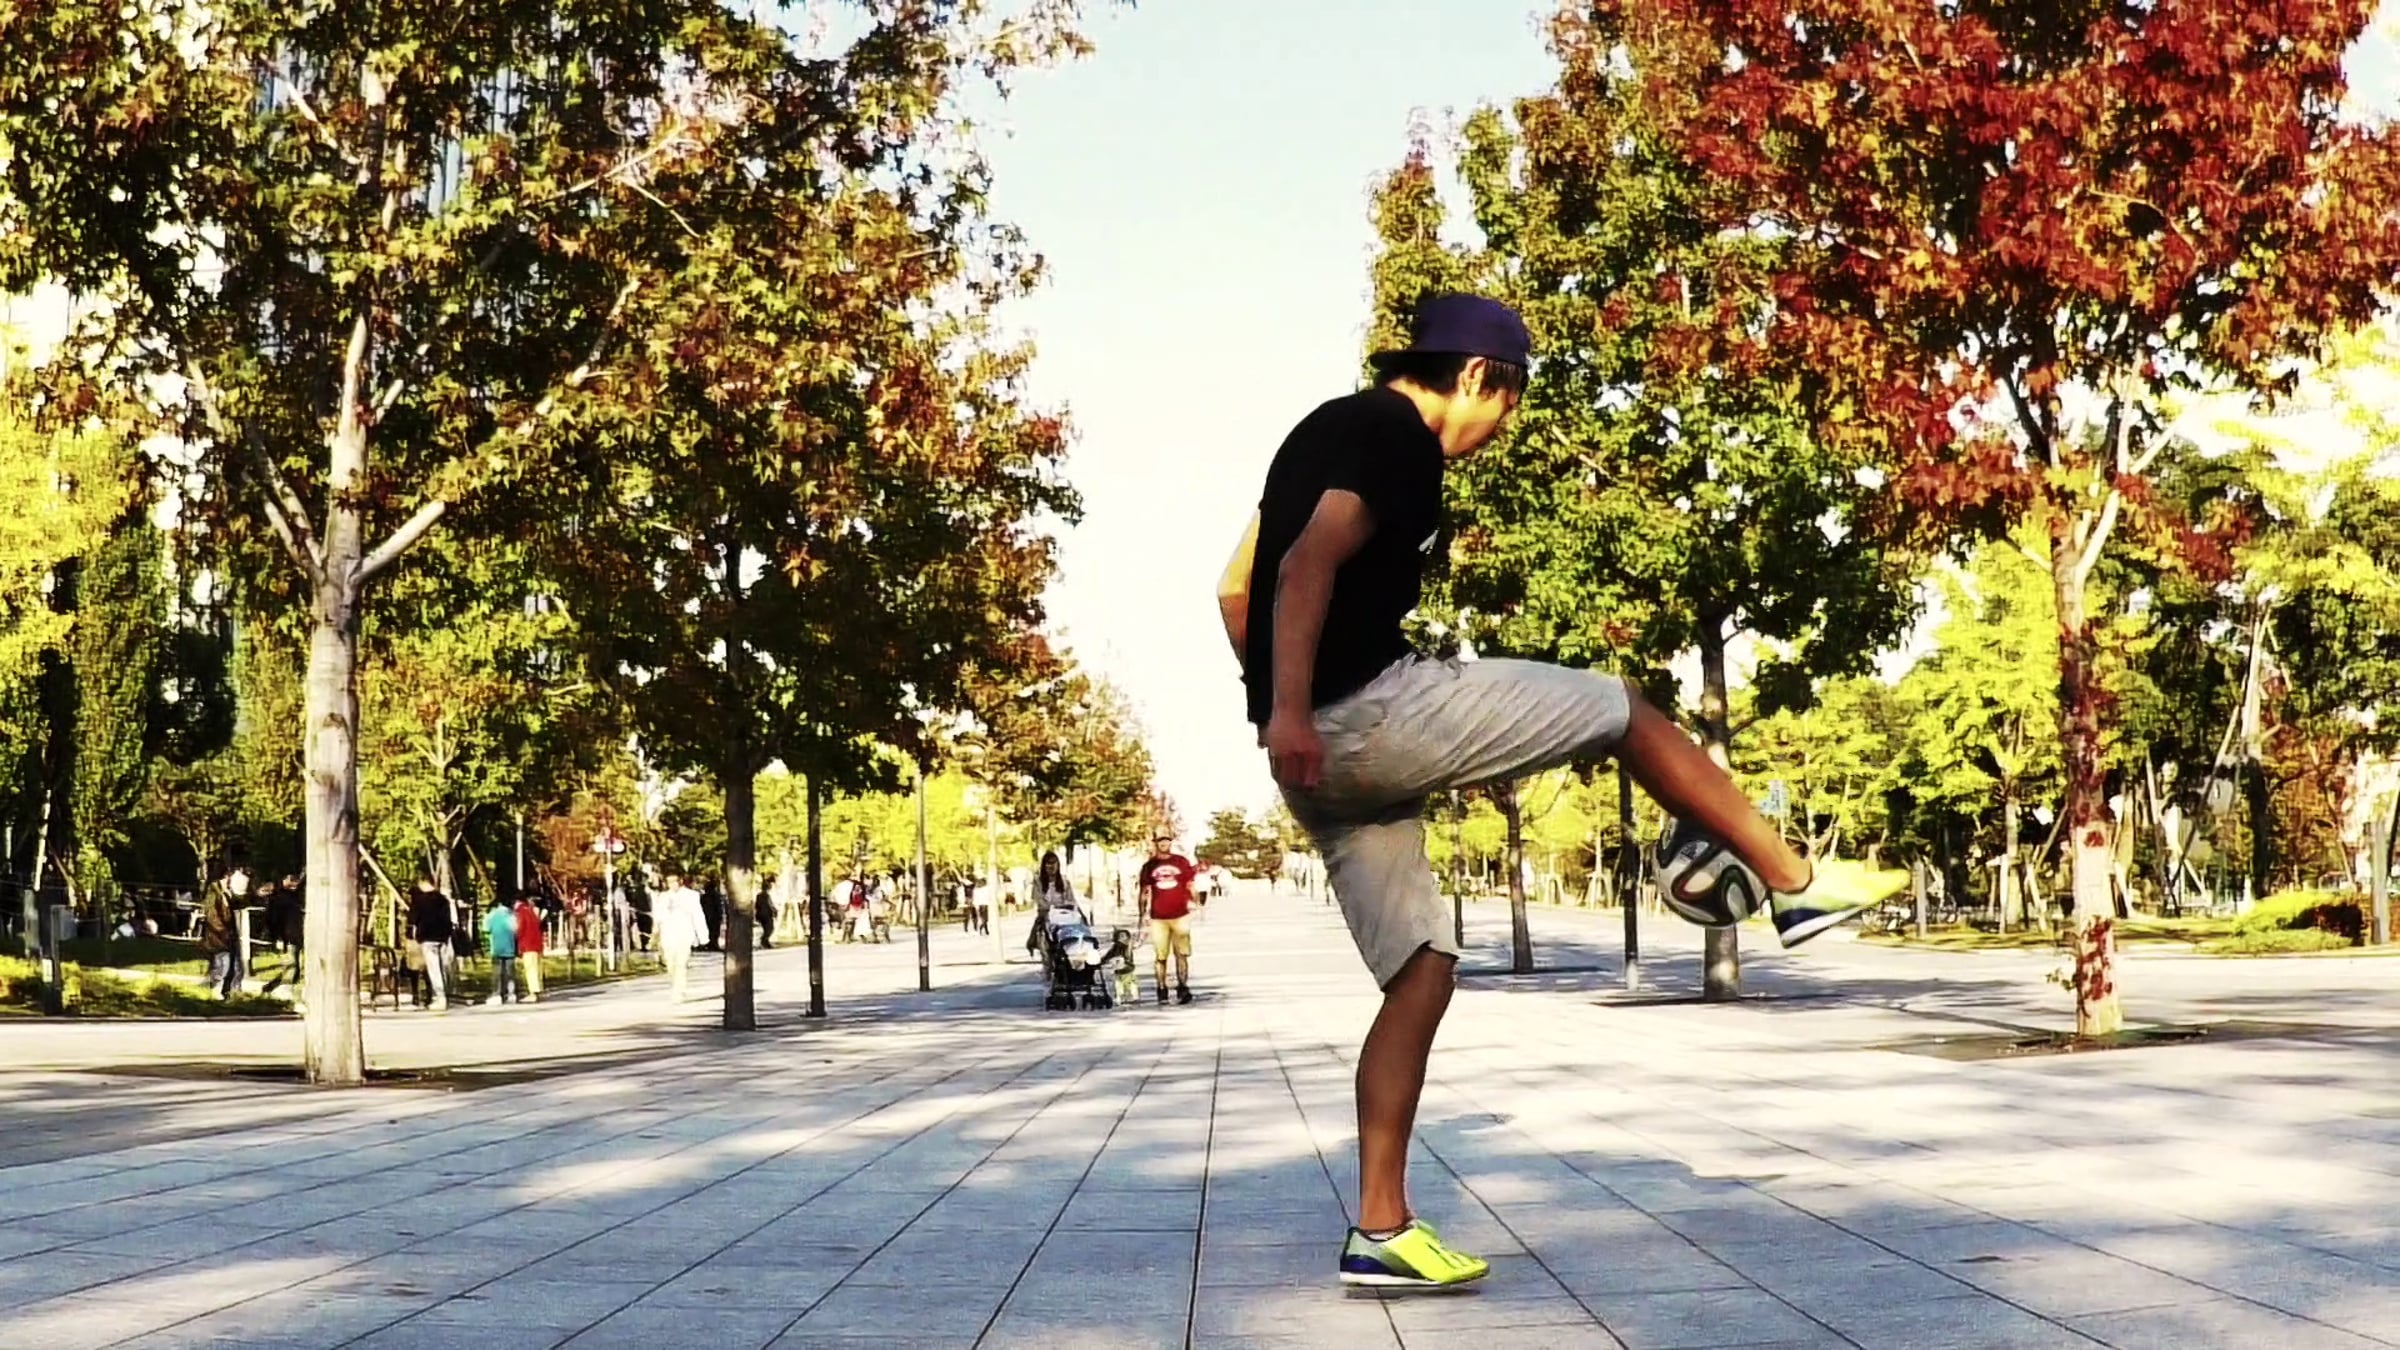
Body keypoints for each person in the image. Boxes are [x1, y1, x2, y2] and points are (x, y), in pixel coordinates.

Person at [1215, 293, 1906, 1290]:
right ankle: (1794, 883)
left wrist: (1278, 708)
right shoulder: (1395, 433)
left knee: (1422, 971)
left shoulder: (1319, 431)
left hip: (1321, 763)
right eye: (1508, 406)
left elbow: (1236, 588)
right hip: (1360, 716)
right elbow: (1309, 562)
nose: (1499, 430)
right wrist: (1297, 707)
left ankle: (1381, 1229)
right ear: (1476, 378)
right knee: (1621, 709)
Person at [1136, 835, 1199, 1006]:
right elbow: (1144, 891)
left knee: (1181, 954)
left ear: (1171, 843)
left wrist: (1196, 903)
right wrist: (1142, 913)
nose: (1164, 843)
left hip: (1180, 914)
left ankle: (1183, 987)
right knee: (1160, 956)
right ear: (1155, 844)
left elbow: (1190, 885)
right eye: (1160, 841)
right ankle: (1161, 988)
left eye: (1167, 840)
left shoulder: (1181, 862)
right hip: (1158, 917)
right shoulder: (1149, 866)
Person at [652, 871, 708, 1003]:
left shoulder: (691, 896)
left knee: (681, 963)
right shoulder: (663, 897)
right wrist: (655, 930)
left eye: (674, 881)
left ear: (680, 881)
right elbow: (658, 916)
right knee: (670, 963)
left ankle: (679, 990)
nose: (672, 884)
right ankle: (675, 983)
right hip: (668, 934)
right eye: (669, 882)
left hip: (684, 933)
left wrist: (702, 935)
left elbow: (698, 915)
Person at [405, 874, 454, 1012]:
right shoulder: (443, 900)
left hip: (427, 938)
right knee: (442, 968)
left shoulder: (420, 901)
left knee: (434, 969)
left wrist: (415, 934)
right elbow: (448, 919)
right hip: (442, 937)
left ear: (423, 883)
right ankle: (445, 995)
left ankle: (440, 997)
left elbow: (413, 919)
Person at [198, 865, 247, 999]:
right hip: (219, 937)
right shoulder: (214, 892)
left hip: (229, 936)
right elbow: (212, 916)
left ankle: (233, 992)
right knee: (223, 965)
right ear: (225, 877)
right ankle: (217, 991)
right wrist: (223, 932)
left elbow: (239, 904)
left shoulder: (227, 892)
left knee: (236, 966)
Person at [483, 895, 521, 1005]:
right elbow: (516, 929)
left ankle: (497, 994)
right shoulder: (512, 915)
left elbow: (486, 928)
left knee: (497, 973)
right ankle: (511, 994)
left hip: (497, 947)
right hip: (509, 947)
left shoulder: (493, 915)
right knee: (510, 972)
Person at [513, 890, 545, 1003]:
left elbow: (520, 928)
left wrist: (516, 936)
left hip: (527, 944)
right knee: (537, 968)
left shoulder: (521, 911)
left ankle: (533, 993)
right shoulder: (531, 911)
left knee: (530, 968)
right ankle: (539, 990)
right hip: (536, 943)